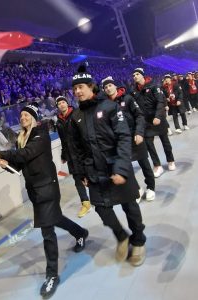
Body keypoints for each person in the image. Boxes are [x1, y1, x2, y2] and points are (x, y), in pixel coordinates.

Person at [0, 104, 88, 298]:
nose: (23, 117)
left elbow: (27, 154)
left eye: (27, 114)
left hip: (48, 188)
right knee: (55, 218)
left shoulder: (40, 135)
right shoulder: (20, 140)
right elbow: (17, 166)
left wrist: (2, 153)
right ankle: (80, 232)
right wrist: (4, 164)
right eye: (21, 115)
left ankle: (52, 275)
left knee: (47, 231)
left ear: (33, 118)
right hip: (35, 191)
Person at [69, 66, 146, 267]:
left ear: (91, 87)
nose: (77, 91)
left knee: (130, 207)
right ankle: (122, 237)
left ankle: (138, 241)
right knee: (102, 209)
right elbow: (76, 149)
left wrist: (121, 168)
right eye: (74, 88)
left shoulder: (109, 107)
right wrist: (80, 174)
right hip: (95, 172)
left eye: (81, 87)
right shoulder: (75, 116)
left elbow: (123, 136)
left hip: (117, 167)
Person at [102, 76, 155, 202]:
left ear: (115, 86)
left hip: (135, 136)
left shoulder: (128, 98)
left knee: (144, 164)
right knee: (127, 167)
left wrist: (139, 132)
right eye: (105, 87)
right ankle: (137, 189)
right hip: (121, 141)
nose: (108, 88)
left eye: (110, 85)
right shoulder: (106, 105)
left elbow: (139, 116)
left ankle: (151, 187)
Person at [131, 68, 176, 178]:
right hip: (146, 122)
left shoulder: (154, 86)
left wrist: (158, 116)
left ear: (142, 75)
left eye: (137, 74)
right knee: (149, 145)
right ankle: (157, 165)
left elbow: (160, 102)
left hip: (158, 119)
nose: (135, 76)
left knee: (165, 141)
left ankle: (170, 160)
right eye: (133, 75)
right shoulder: (134, 91)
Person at [55, 95, 91, 217]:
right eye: (59, 104)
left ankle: (100, 196)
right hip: (71, 155)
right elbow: (62, 140)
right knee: (77, 179)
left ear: (67, 103)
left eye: (63, 102)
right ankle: (85, 203)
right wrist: (63, 154)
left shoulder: (77, 113)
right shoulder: (58, 121)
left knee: (90, 174)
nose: (61, 105)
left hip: (83, 152)